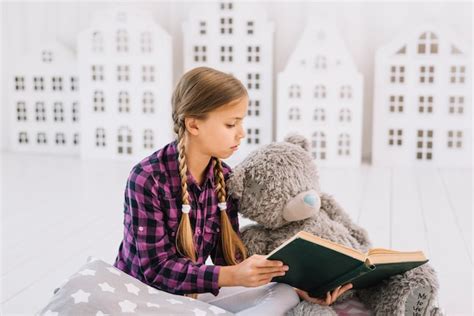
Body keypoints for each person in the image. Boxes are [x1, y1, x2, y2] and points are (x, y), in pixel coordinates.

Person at [113, 66, 351, 315]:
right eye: (230, 124)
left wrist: (290, 285)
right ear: (193, 125)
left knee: (284, 293)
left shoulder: (224, 179)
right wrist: (233, 275)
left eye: (241, 122)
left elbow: (227, 261)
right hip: (140, 297)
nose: (241, 132)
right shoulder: (147, 179)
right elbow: (156, 270)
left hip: (189, 293)